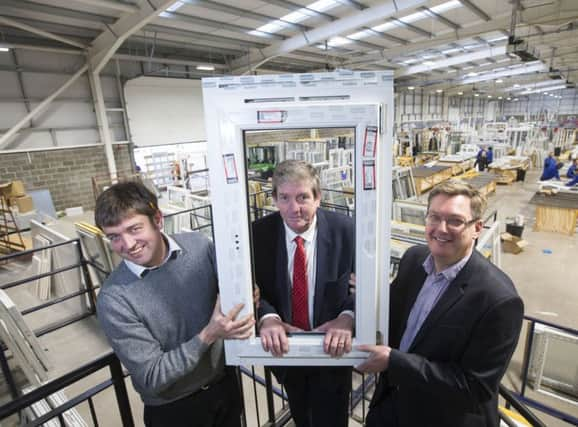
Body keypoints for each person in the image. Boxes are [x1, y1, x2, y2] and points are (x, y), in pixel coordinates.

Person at [358, 179, 524, 427]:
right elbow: (390, 315)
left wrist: (394, 362)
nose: (441, 228)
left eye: (455, 221)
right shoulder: (414, 260)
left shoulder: (498, 300)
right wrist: (353, 309)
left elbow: (474, 387)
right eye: (434, 217)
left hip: (442, 417)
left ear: (477, 228)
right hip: (390, 407)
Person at [94, 181, 254, 427]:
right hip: (174, 410)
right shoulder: (114, 299)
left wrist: (245, 294)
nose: (127, 245)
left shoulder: (199, 246)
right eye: (114, 237)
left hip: (224, 386)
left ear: (158, 220)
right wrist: (209, 334)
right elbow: (152, 376)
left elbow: (232, 291)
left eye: (134, 229)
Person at [252, 160, 355, 427]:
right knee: (302, 416)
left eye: (302, 198)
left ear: (318, 198)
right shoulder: (257, 235)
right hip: (286, 351)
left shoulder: (347, 231)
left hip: (332, 352)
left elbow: (366, 287)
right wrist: (268, 317)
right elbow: (251, 290)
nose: (294, 208)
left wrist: (348, 316)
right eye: (284, 198)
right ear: (274, 199)